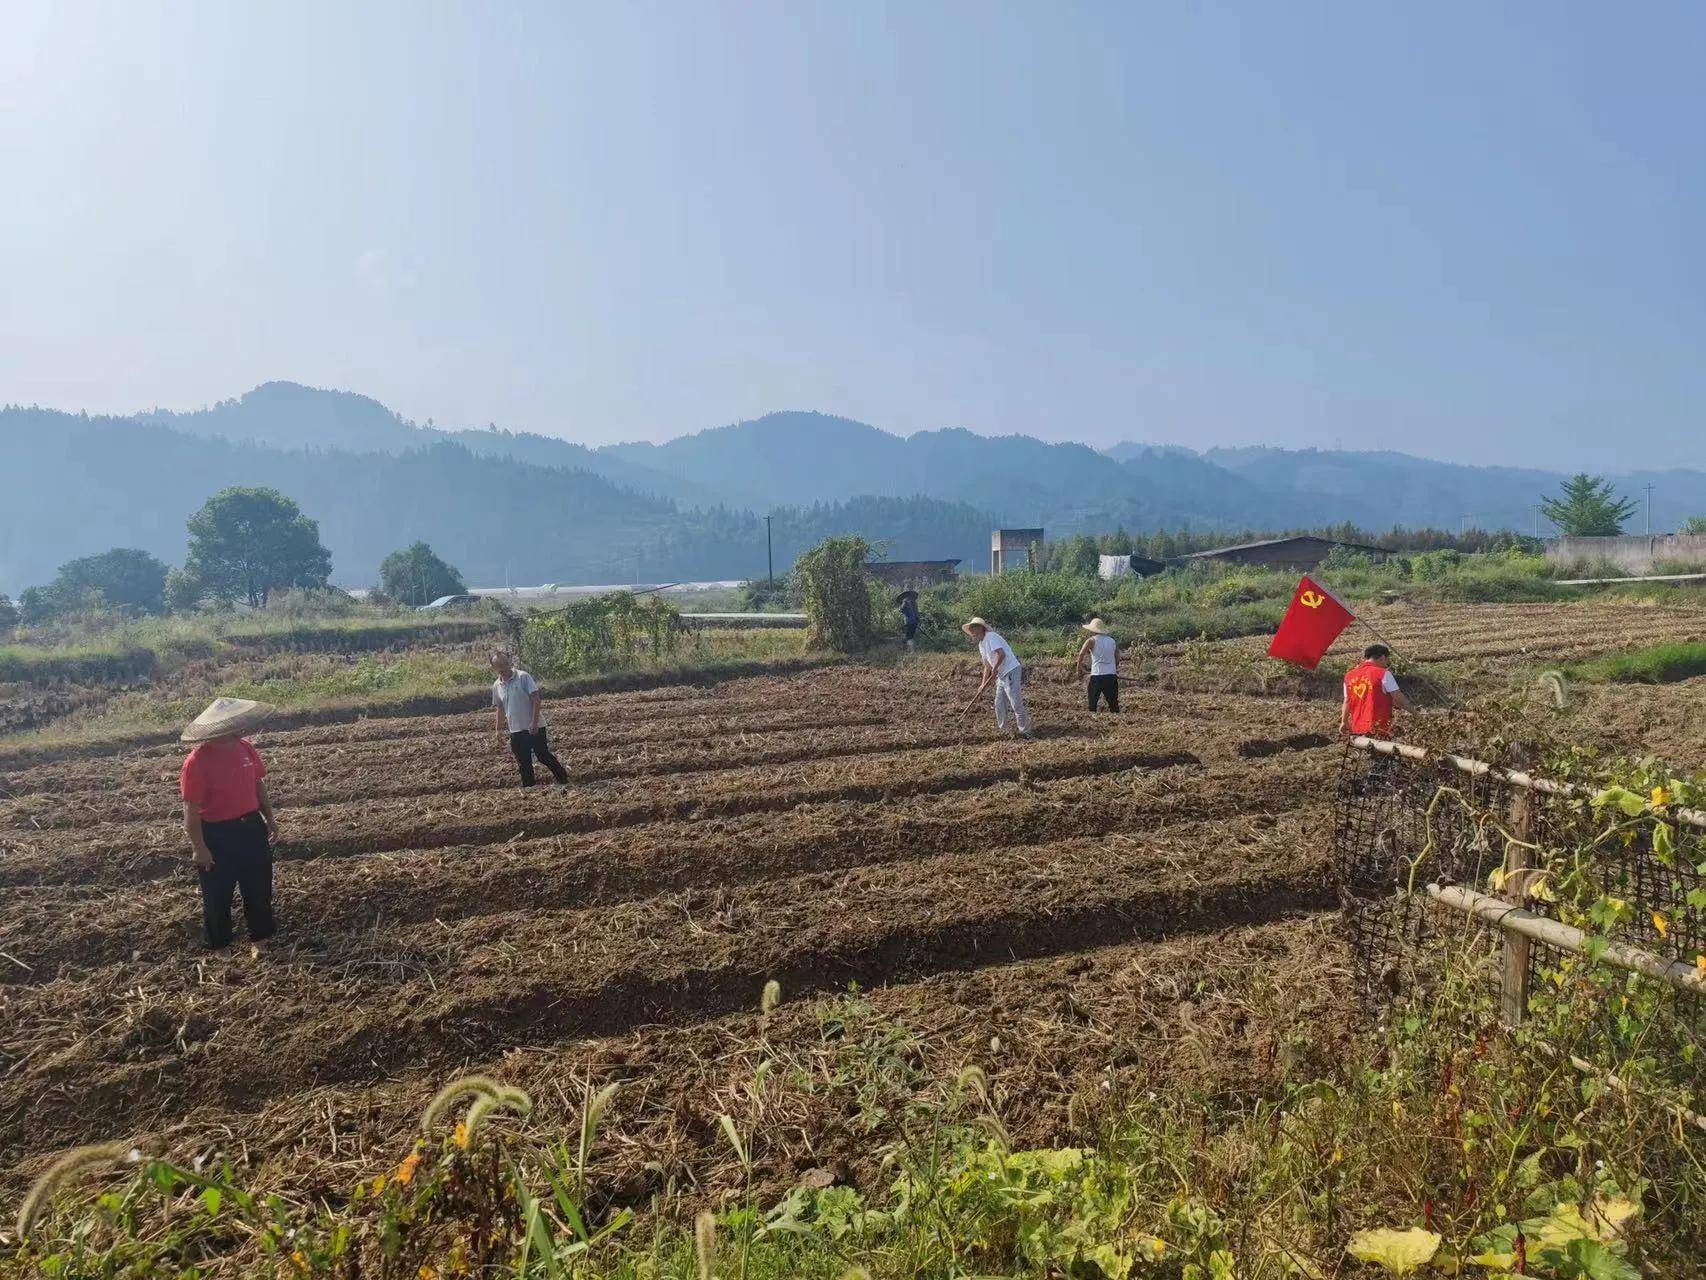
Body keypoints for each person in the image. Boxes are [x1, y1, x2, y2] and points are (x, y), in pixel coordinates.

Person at [180, 697, 280, 950]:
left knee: (258, 887)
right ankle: (219, 945)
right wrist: (199, 847)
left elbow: (259, 785)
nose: (242, 727)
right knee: (217, 894)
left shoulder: (246, 749)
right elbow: (190, 809)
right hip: (217, 834)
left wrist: (269, 819)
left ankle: (261, 939)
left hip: (251, 826)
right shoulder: (197, 762)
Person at [492, 649, 569, 787]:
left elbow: (536, 699)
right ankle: (529, 789)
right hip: (515, 729)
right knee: (523, 761)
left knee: (542, 755)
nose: (502, 668)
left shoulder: (523, 677)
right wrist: (498, 730)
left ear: (510, 662)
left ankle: (563, 779)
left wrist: (533, 723)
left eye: (504, 663)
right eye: (499, 666)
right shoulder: (497, 685)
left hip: (534, 726)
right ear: (494, 668)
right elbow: (500, 708)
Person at [962, 616, 1034, 739]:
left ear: (981, 628)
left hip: (1011, 670)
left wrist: (995, 669)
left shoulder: (991, 637)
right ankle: (1003, 730)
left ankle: (1025, 731)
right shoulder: (981, 645)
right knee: (999, 703)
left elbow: (1002, 654)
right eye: (971, 629)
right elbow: (987, 667)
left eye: (974, 628)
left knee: (1015, 702)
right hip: (1001, 674)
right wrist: (983, 684)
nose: (972, 631)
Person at [1339, 643, 1411, 739]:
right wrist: (1415, 713)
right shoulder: (1383, 673)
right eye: (1387, 659)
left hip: (1357, 728)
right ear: (1382, 657)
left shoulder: (1349, 676)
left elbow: (1347, 701)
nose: (1387, 663)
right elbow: (1398, 697)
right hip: (1379, 727)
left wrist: (1344, 721)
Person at [1076, 617, 1120, 712]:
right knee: (1114, 704)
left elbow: (1081, 654)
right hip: (1111, 676)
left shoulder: (1091, 641)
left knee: (1092, 704)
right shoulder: (1112, 641)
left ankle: (1093, 723)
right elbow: (1117, 657)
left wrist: (1079, 668)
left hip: (1097, 676)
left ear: (1092, 630)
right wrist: (1113, 669)